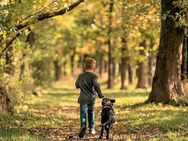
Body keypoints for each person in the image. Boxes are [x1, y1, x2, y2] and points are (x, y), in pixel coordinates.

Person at [75, 57, 104, 138]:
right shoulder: (94, 76)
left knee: (83, 112)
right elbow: (96, 85)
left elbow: (77, 85)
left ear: (85, 66)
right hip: (91, 98)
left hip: (83, 98)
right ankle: (91, 128)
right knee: (91, 112)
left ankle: (83, 126)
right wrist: (100, 94)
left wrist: (82, 84)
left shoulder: (81, 76)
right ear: (94, 67)